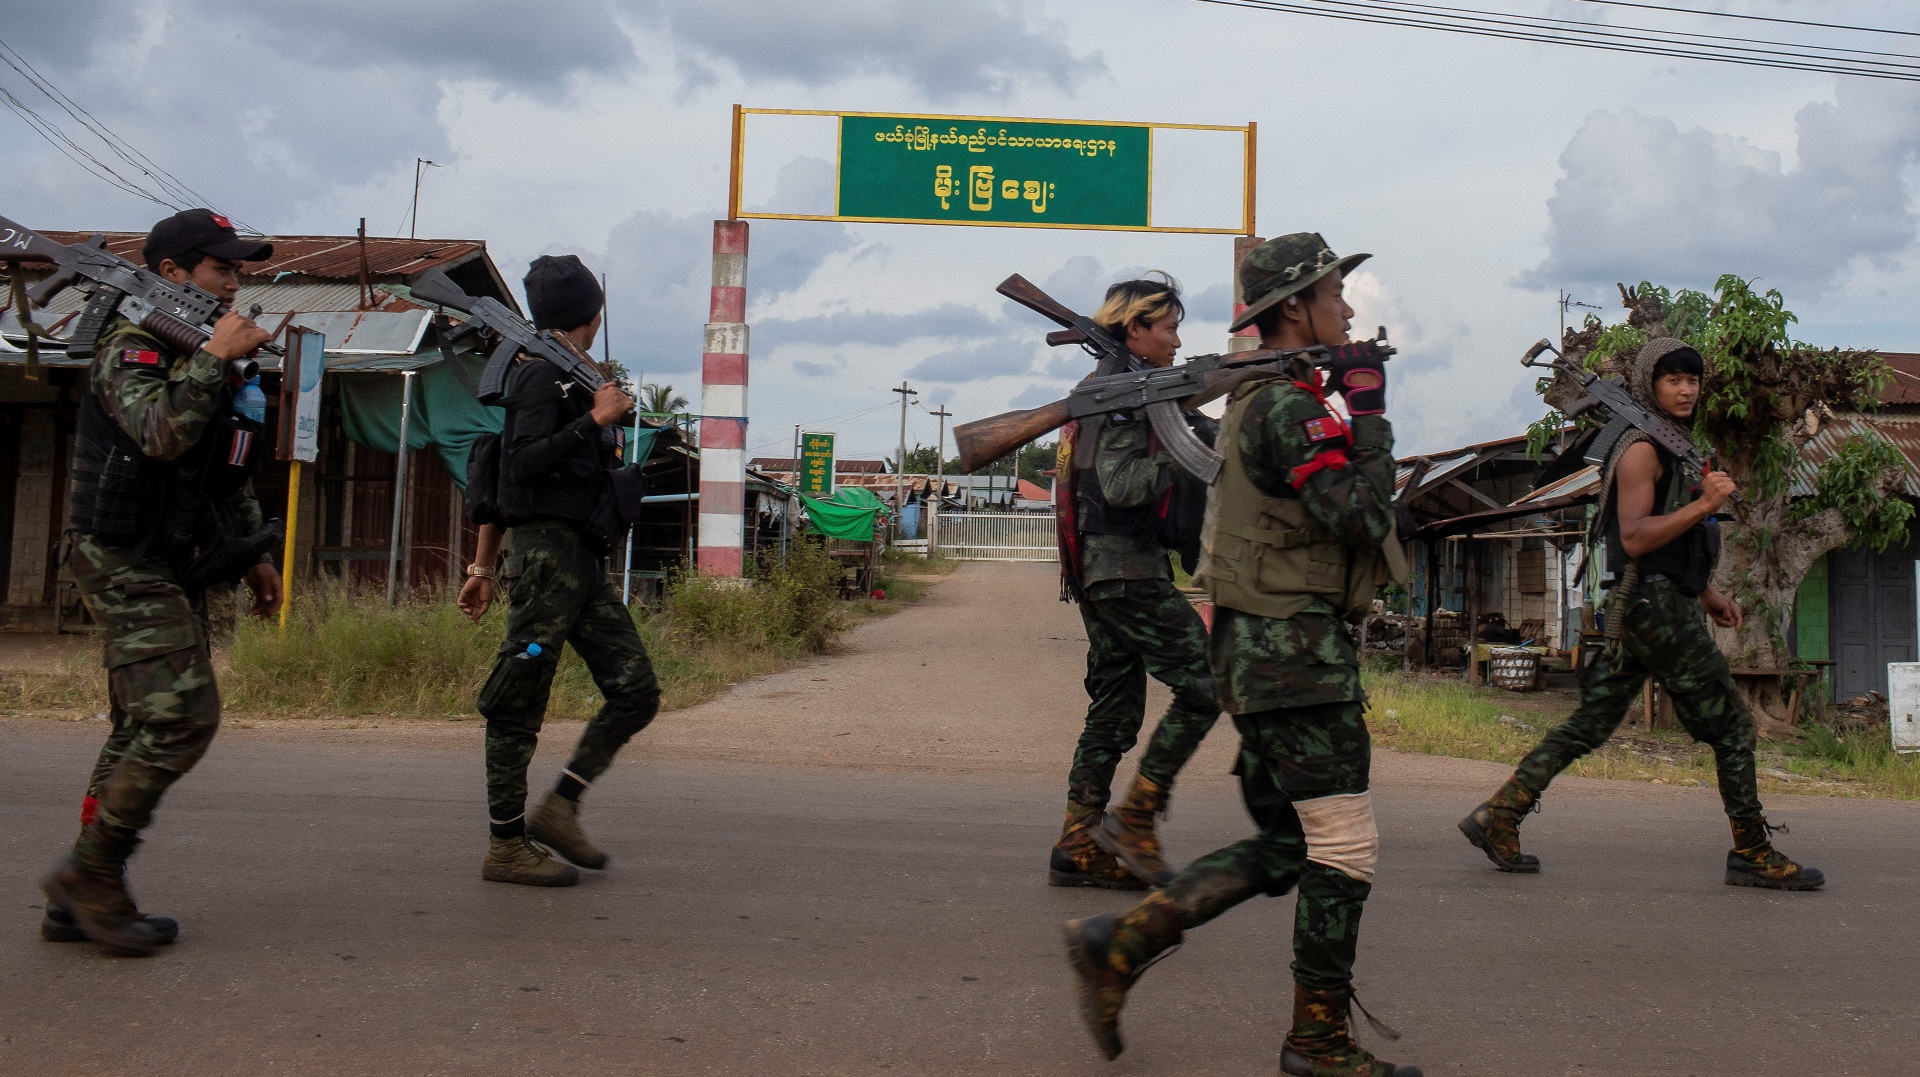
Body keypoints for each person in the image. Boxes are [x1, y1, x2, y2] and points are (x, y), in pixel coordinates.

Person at [1064, 233, 1422, 1077]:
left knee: (1292, 844)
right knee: (1344, 845)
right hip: (1295, 660)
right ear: (1294, 306)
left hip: (1264, 656)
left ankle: (1124, 942)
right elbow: (1365, 515)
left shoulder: (1273, 401)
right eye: (1334, 293)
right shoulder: (1288, 409)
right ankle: (1318, 1039)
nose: (1348, 309)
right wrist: (1370, 414)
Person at [1460, 337, 1822, 891]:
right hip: (1655, 610)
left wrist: (1707, 594)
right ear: (1650, 385)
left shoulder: (1674, 448)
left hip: (1648, 604)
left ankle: (1500, 814)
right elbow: (1634, 537)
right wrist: (1707, 505)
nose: (1686, 390)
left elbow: (1669, 546)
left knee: (1590, 723)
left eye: (1692, 380)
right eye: (1673, 380)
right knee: (1732, 727)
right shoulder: (1642, 450)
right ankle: (1752, 851)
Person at [40, 208, 282, 955]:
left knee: (139, 725)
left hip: (171, 553)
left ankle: (83, 893)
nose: (234, 283)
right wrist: (214, 358)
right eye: (220, 268)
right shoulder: (131, 346)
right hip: (119, 553)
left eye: (238, 270)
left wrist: (253, 551)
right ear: (170, 273)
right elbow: (159, 434)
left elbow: (223, 466)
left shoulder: (202, 351)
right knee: (182, 715)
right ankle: (90, 874)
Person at [454, 254, 660, 888]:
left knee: (636, 690)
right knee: (518, 702)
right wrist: (594, 421)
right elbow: (517, 467)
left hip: (581, 563)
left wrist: (483, 566)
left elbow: (503, 474)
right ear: (594, 316)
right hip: (546, 561)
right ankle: (505, 845)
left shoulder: (571, 379)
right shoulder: (540, 376)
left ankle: (560, 808)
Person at [1048, 274, 1220, 890]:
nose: (1177, 341)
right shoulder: (1121, 396)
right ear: (1136, 328)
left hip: (1101, 573)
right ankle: (1134, 819)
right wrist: (1186, 447)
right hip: (1126, 571)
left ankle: (1078, 842)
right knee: (1210, 684)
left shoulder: (1120, 388)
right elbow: (1122, 487)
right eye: (1169, 328)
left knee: (1115, 710)